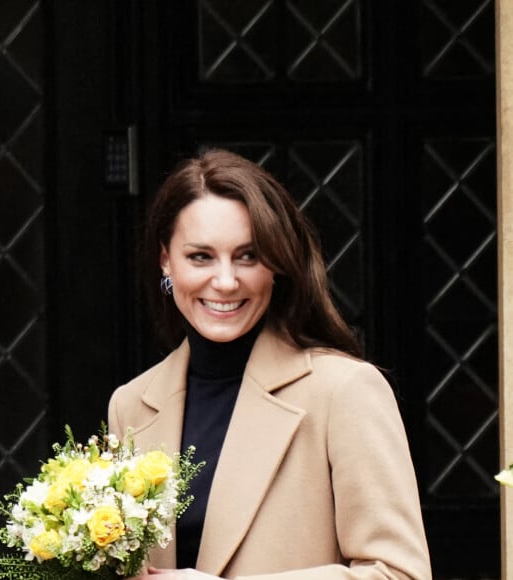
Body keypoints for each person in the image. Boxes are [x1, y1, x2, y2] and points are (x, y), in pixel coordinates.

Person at [108, 148, 432, 580]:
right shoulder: (130, 405)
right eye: (200, 256)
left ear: (277, 265)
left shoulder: (345, 391)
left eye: (248, 256)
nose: (225, 281)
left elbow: (400, 574)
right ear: (166, 259)